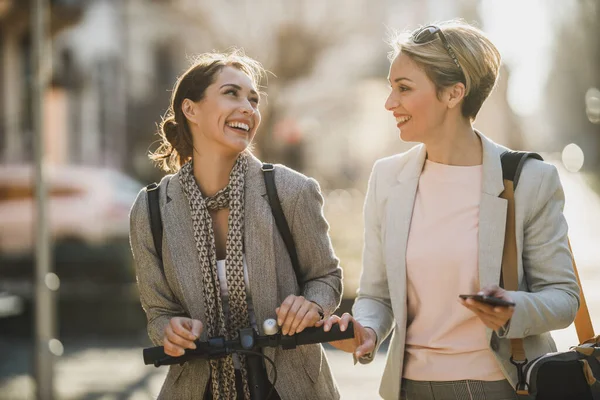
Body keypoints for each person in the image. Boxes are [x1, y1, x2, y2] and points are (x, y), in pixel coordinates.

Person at [321, 20, 580, 400]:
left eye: (404, 88)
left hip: (502, 387)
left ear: (453, 93)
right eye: (391, 88)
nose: (390, 103)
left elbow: (563, 297)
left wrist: (513, 309)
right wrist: (367, 330)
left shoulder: (529, 180)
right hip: (409, 388)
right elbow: (377, 294)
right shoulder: (388, 178)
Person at [129, 49, 343, 400]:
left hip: (290, 387)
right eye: (232, 93)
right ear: (191, 109)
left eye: (253, 99)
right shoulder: (151, 209)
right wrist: (169, 329)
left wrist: (313, 305)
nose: (248, 107)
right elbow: (158, 314)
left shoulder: (291, 190)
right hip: (197, 389)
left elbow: (326, 278)